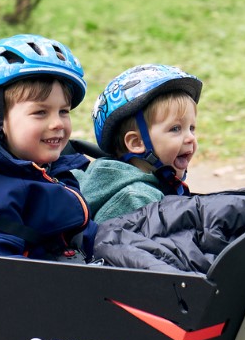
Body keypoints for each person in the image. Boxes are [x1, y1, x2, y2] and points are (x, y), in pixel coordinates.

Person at [0, 35, 96, 259]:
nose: (58, 123)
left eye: (63, 111)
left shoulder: (45, 168)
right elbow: (0, 272)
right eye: (40, 113)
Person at [80, 64, 202, 222]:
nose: (190, 138)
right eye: (176, 128)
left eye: (191, 128)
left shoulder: (153, 186)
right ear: (136, 142)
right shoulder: (135, 200)